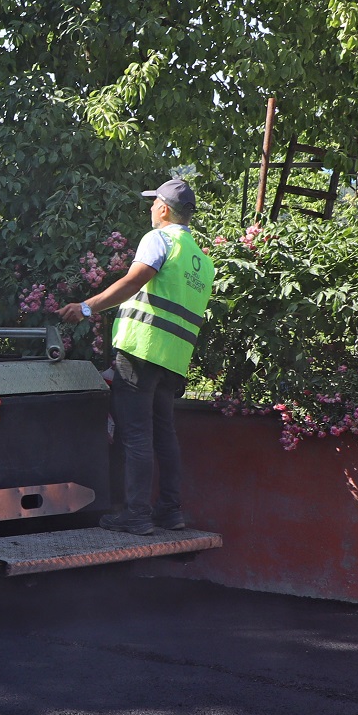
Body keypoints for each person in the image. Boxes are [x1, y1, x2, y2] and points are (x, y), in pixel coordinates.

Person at [59, 177, 214, 535]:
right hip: (173, 359)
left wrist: (86, 307)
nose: (149, 209)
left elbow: (134, 280)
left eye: (152, 203)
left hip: (141, 350)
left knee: (136, 435)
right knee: (164, 435)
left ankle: (137, 514)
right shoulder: (201, 261)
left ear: (163, 208)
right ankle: (170, 512)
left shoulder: (159, 239)